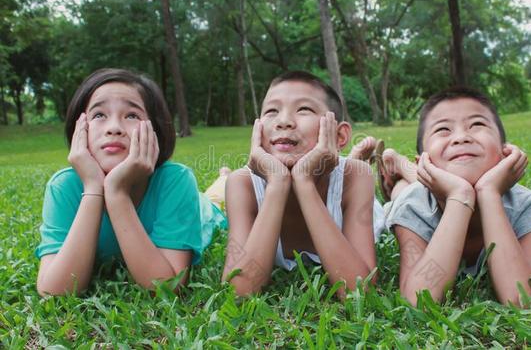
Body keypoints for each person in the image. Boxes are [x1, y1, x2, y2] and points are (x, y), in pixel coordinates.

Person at [35, 68, 209, 296]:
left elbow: (168, 287)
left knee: (213, 200)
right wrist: (93, 188)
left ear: (155, 130)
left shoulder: (175, 181)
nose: (114, 127)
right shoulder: (63, 187)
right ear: (79, 130)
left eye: (131, 115)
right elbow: (55, 291)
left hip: (205, 213)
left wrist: (116, 193)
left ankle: (222, 179)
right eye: (99, 115)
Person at [381, 86, 531, 306]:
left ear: (506, 152)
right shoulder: (412, 207)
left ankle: (398, 166)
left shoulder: (528, 208)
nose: (461, 137)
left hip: (426, 186)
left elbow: (524, 301)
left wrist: (489, 192)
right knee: (400, 194)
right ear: (424, 163)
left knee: (406, 190)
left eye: (477, 125)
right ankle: (399, 171)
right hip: (413, 193)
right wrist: (459, 195)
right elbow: (419, 301)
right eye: (443, 129)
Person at [222, 71, 384, 298]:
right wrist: (277, 184)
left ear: (339, 136)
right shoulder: (242, 184)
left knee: (386, 201)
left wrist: (304, 182)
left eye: (303, 110)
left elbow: (359, 292)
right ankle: (222, 174)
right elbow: (239, 292)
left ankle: (383, 169)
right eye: (271, 111)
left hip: (365, 207)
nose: (284, 121)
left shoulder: (356, 177)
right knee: (225, 181)